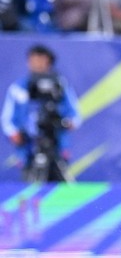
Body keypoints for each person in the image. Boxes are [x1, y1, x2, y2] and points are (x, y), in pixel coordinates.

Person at [1, 45, 82, 183]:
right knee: (30, 187)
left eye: (41, 59)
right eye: (33, 60)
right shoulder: (18, 87)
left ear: (49, 61)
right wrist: (14, 133)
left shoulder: (60, 84)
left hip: (56, 144)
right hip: (29, 147)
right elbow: (6, 118)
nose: (37, 63)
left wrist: (68, 123)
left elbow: (75, 114)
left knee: (60, 186)